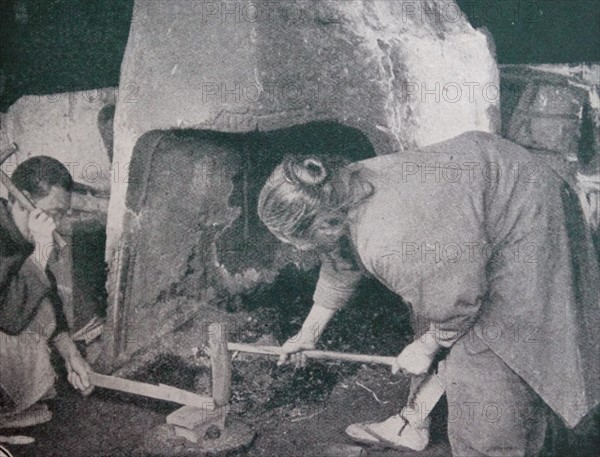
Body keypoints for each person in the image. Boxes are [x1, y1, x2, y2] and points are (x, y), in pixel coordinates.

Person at [257, 131, 600, 456]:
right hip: (475, 204)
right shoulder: (341, 191)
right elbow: (340, 261)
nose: (295, 249)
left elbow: (459, 305)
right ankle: (414, 422)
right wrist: (308, 333)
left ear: (322, 224)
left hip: (524, 211)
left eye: (291, 241)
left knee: (485, 366)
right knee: (435, 311)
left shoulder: (387, 240)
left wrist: (427, 345)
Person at [0, 156, 93, 428]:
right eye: (53, 212)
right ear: (23, 200)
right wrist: (41, 251)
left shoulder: (21, 230)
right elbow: (9, 317)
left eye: (63, 214)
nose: (57, 224)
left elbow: (45, 296)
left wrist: (71, 356)